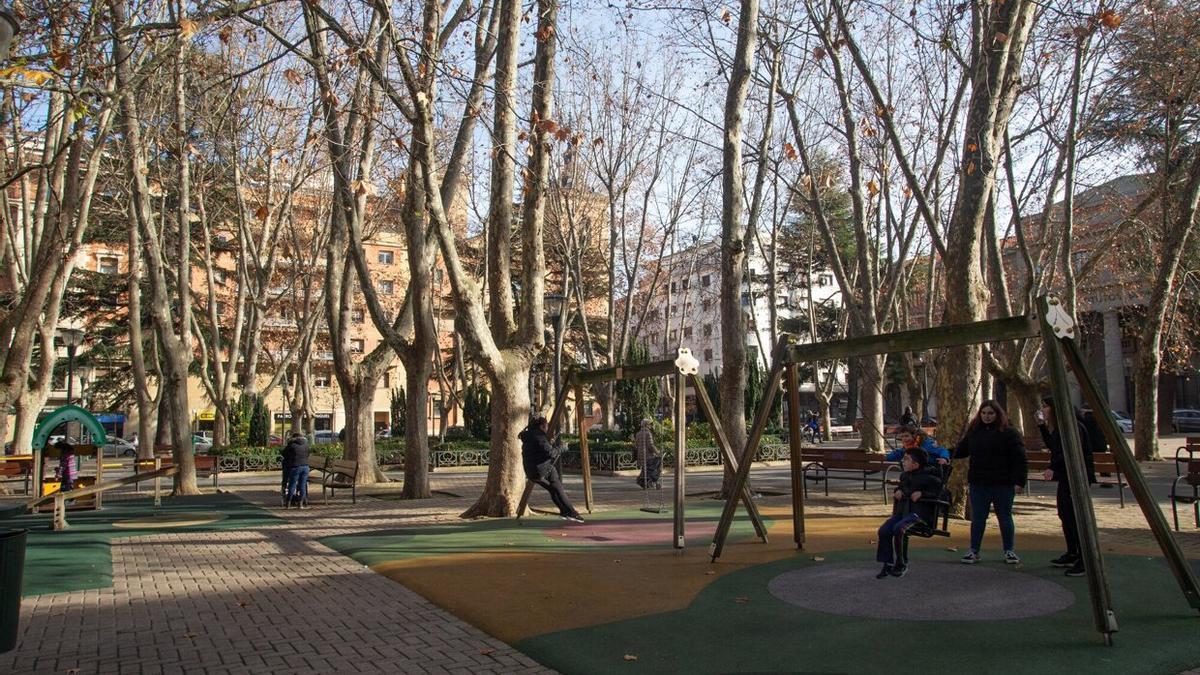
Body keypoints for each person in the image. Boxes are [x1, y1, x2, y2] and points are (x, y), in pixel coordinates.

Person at [953, 400, 1027, 565]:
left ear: (998, 415)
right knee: (978, 517)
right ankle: (974, 550)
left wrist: (1019, 481)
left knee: (1005, 517)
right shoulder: (974, 432)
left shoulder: (1009, 433)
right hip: (979, 482)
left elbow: (1020, 459)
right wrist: (945, 454)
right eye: (984, 413)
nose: (987, 416)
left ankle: (1009, 550)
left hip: (1003, 483)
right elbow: (962, 450)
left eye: (991, 413)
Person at [1038, 397, 1096, 578]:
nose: (1043, 409)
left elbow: (1068, 452)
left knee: (1074, 517)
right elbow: (1053, 446)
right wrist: (1041, 426)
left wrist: (1052, 467)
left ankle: (1084, 558)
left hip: (1076, 477)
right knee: (1065, 514)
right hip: (1066, 477)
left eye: (1046, 406)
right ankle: (1072, 552)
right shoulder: (1060, 428)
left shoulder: (1074, 428)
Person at [875, 446, 943, 578]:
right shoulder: (905, 476)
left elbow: (942, 494)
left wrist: (923, 494)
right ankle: (887, 563)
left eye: (906, 460)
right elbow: (901, 488)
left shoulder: (931, 477)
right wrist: (897, 491)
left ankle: (901, 563)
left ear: (916, 464)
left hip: (919, 516)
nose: (903, 462)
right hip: (903, 513)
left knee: (899, 529)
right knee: (884, 530)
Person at [520, 415, 584, 523]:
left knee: (552, 489)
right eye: (546, 426)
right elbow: (551, 453)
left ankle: (564, 512)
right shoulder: (539, 437)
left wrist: (549, 445)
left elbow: (539, 451)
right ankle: (572, 513)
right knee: (558, 489)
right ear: (541, 426)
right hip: (542, 469)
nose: (547, 428)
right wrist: (562, 448)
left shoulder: (528, 436)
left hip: (531, 472)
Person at [885, 425, 950, 466]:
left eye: (907, 436)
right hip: (916, 473)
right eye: (902, 437)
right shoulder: (907, 448)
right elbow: (898, 453)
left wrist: (944, 458)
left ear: (914, 436)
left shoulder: (926, 444)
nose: (904, 439)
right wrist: (885, 458)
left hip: (930, 470)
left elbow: (942, 450)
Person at [281, 431, 311, 509]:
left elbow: (284, 454)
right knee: (303, 485)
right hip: (305, 467)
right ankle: (300, 504)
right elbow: (308, 454)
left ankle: (288, 504)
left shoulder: (292, 445)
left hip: (295, 466)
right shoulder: (306, 445)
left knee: (292, 485)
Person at [634, 419, 661, 489]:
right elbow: (650, 445)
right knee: (655, 465)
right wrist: (657, 452)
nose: (650, 426)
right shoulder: (648, 433)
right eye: (649, 424)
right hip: (648, 456)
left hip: (640, 456)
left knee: (645, 469)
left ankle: (643, 480)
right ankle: (653, 480)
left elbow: (636, 444)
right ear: (647, 425)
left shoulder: (638, 434)